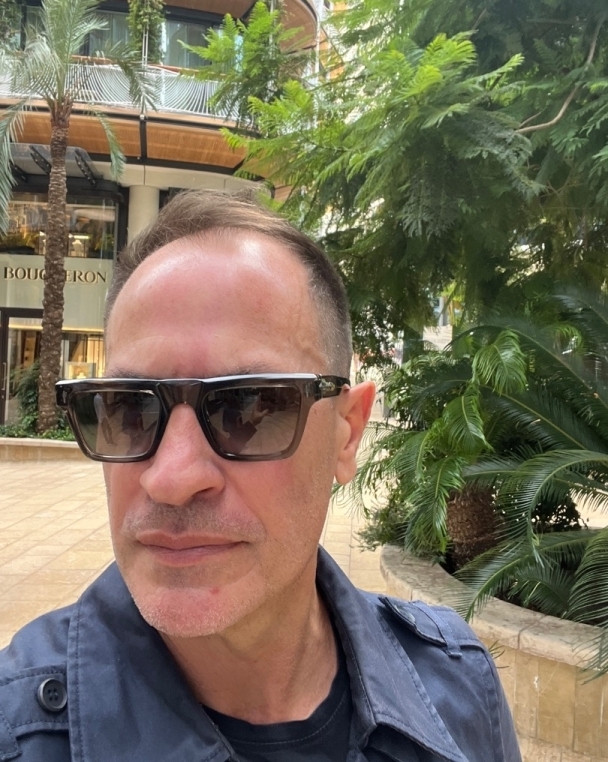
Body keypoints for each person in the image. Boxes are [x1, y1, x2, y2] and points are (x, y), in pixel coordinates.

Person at [0, 190, 521, 761]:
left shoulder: (460, 687)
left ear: (347, 432)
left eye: (248, 408)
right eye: (129, 409)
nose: (171, 478)